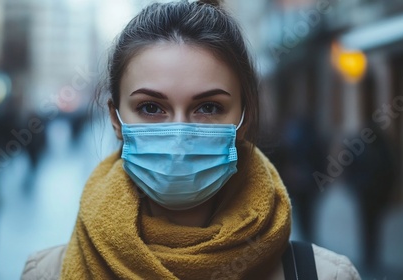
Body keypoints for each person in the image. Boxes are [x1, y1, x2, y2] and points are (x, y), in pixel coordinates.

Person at [21, 1, 360, 279]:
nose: (180, 135)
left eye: (208, 107)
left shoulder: (323, 275)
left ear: (244, 119)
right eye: (151, 107)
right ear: (116, 120)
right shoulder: (48, 273)